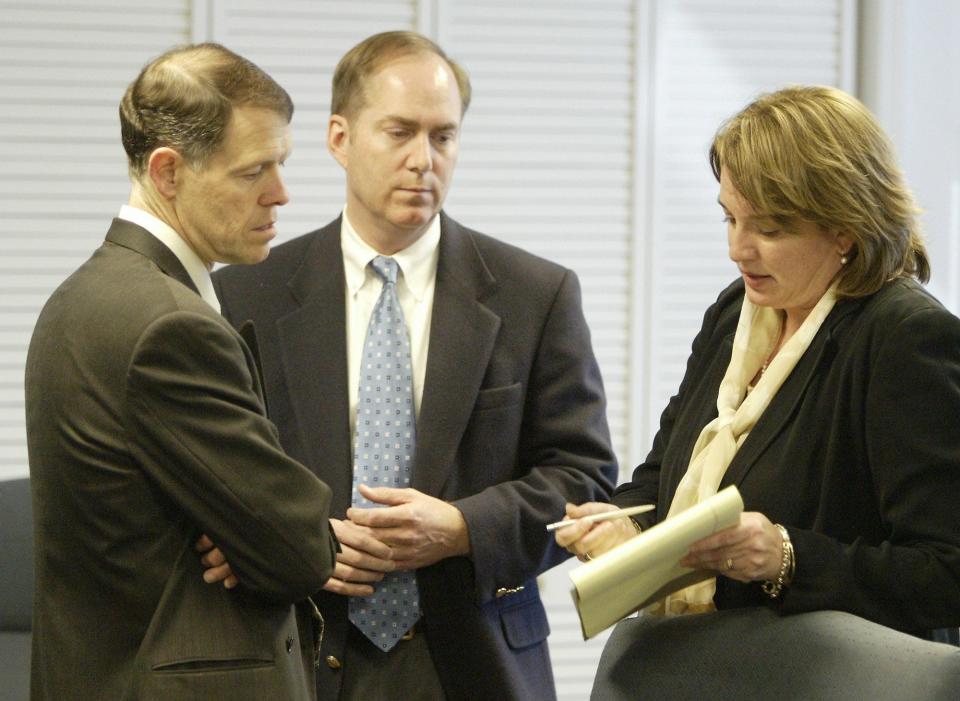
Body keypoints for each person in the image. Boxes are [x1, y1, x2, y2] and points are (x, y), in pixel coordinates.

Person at [211, 30, 617, 701]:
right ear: (339, 138)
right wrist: (299, 541)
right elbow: (220, 478)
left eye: (443, 137)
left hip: (474, 660)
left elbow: (584, 481)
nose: (422, 160)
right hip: (298, 655)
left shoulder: (534, 295)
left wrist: (462, 529)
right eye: (399, 132)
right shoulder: (246, 294)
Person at [557, 85, 960, 636]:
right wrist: (624, 529)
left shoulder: (906, 338)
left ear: (844, 227)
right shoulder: (735, 311)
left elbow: (946, 573)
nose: (737, 250)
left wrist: (787, 558)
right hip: (697, 667)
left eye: (768, 229)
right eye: (729, 219)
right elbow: (661, 480)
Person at [24, 43, 338, 701]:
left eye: (280, 164)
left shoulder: (80, 296)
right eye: (254, 171)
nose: (281, 194)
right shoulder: (172, 326)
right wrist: (271, 535)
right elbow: (298, 550)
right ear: (168, 171)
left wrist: (251, 530)